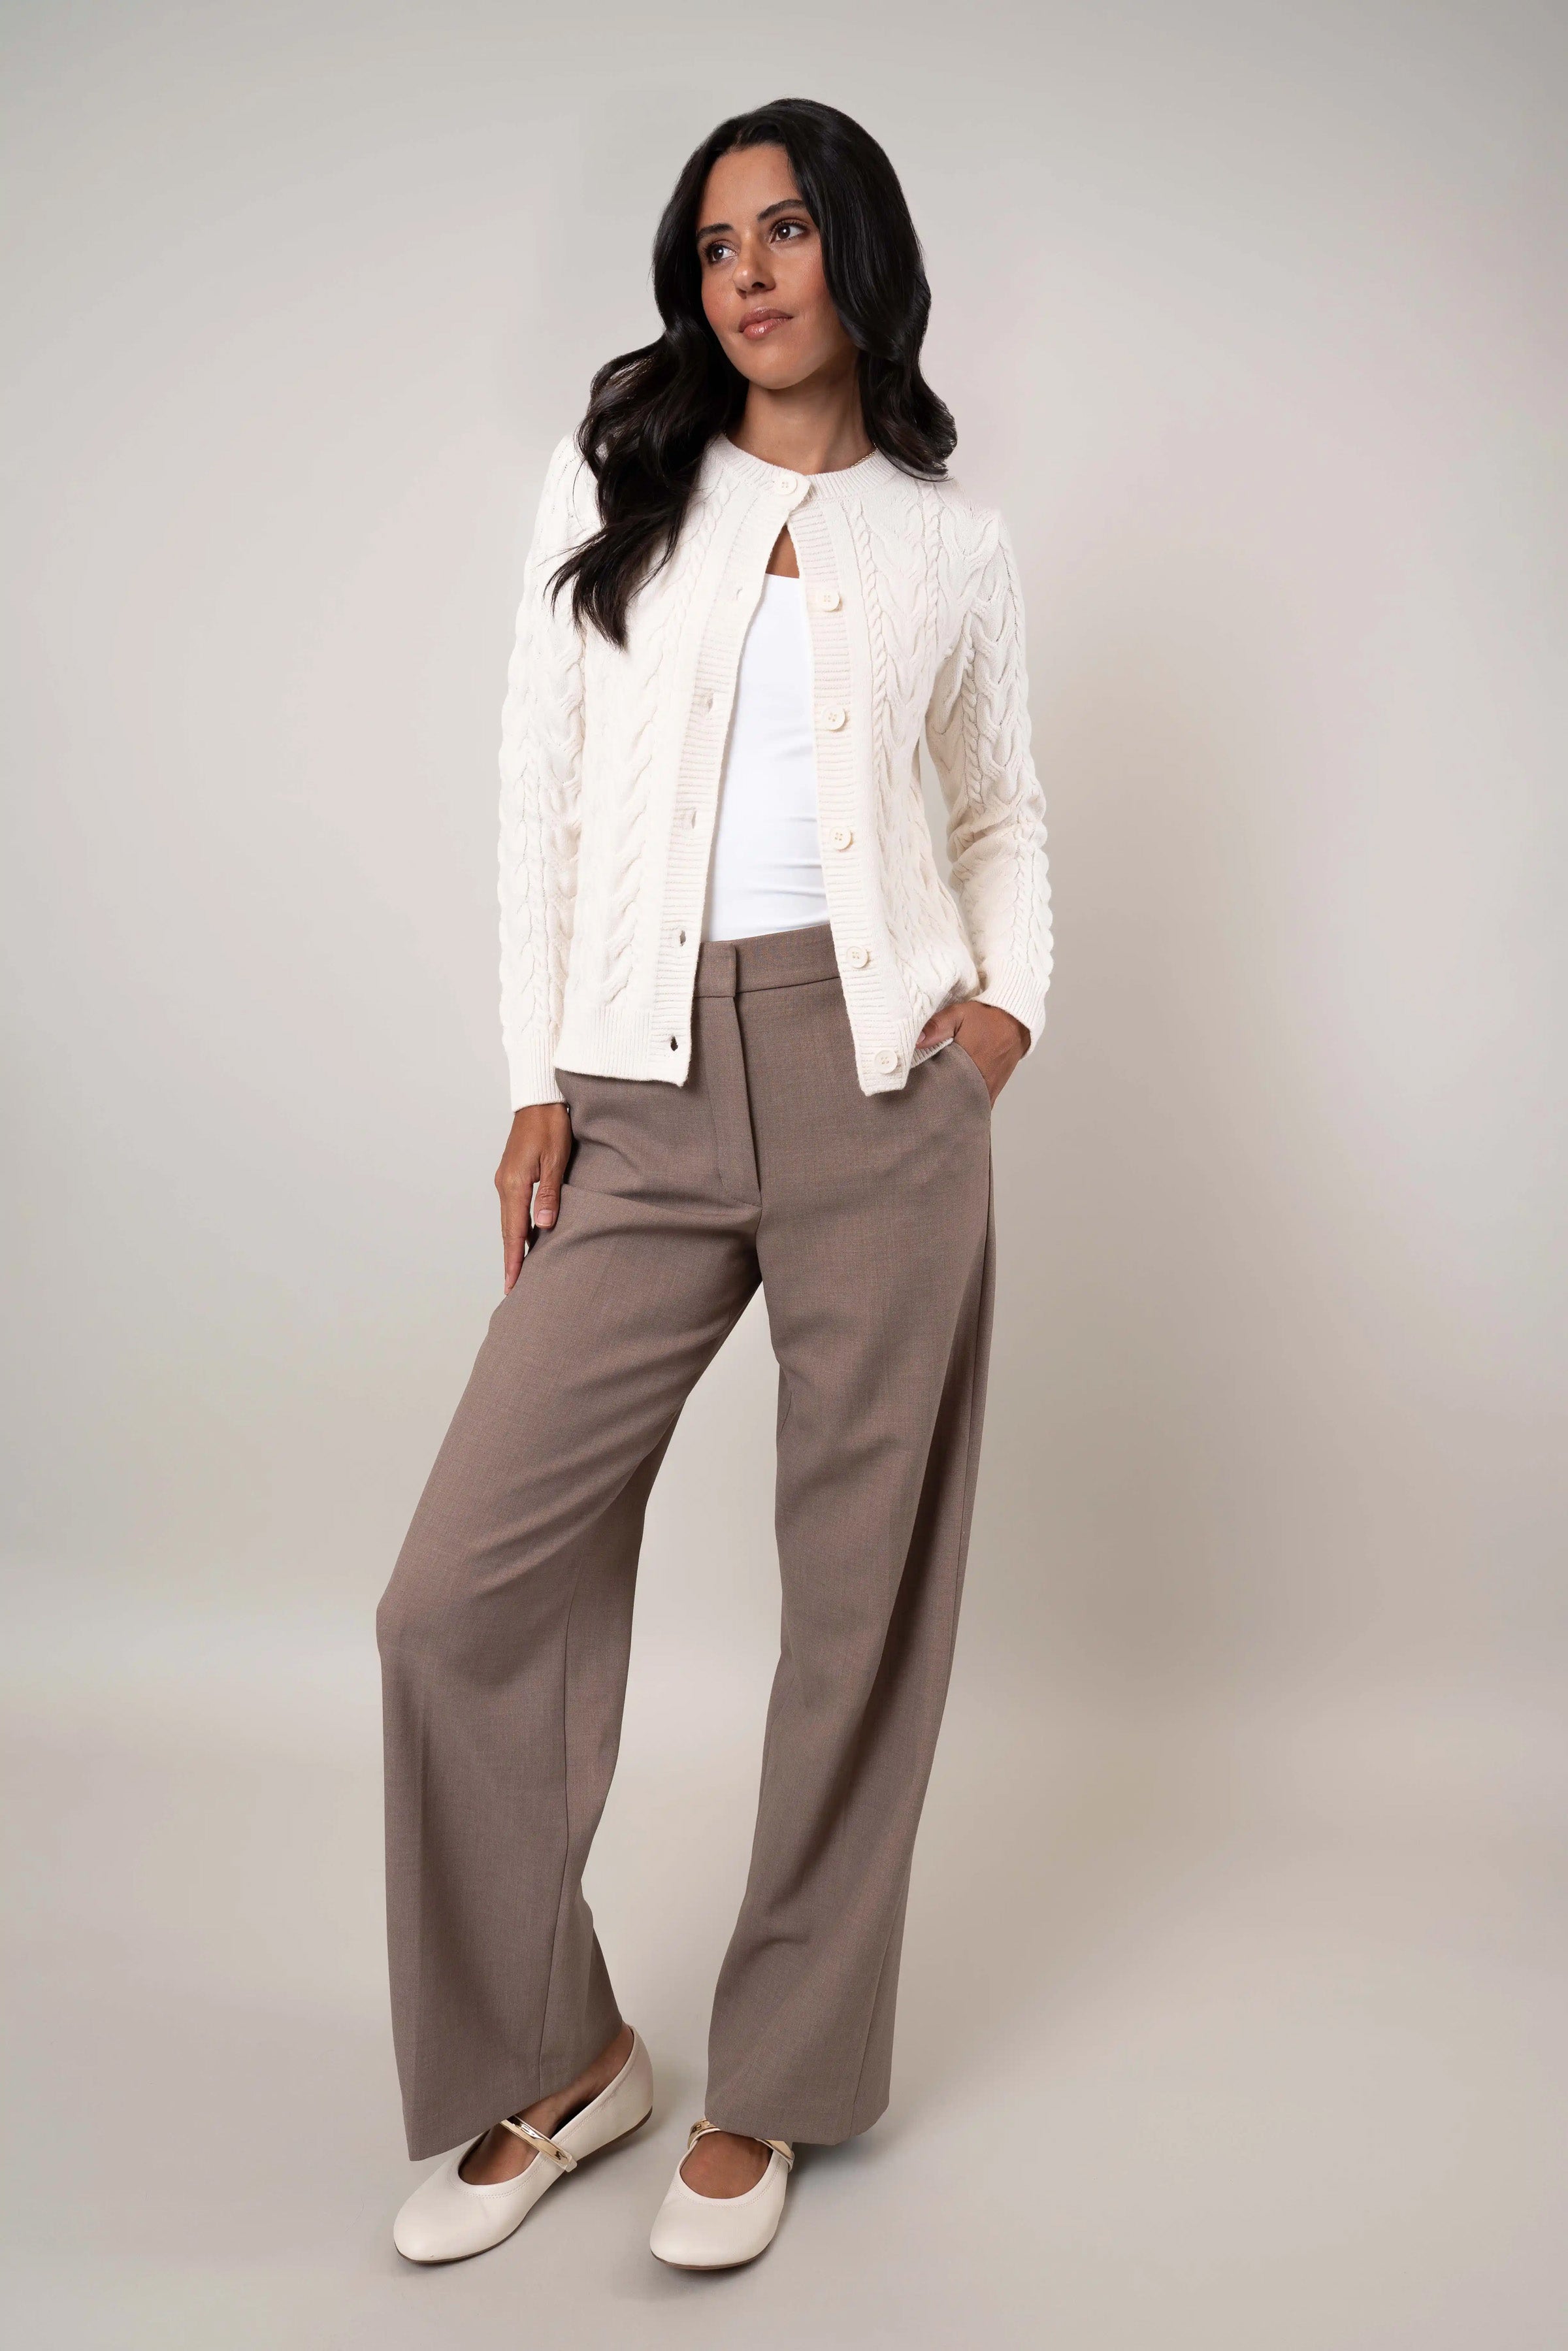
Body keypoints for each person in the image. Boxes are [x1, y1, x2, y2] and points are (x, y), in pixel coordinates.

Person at [376, 94, 1051, 2273]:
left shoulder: (948, 542)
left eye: (782, 232)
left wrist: (999, 1024)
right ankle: (564, 2055)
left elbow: (1000, 813)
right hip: (641, 1090)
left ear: (857, 249)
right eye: (712, 247)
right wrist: (535, 1082)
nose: (745, 275)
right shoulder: (615, 488)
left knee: (860, 1607)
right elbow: (539, 792)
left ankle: (777, 2084)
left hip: (881, 1099)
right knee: (455, 1596)